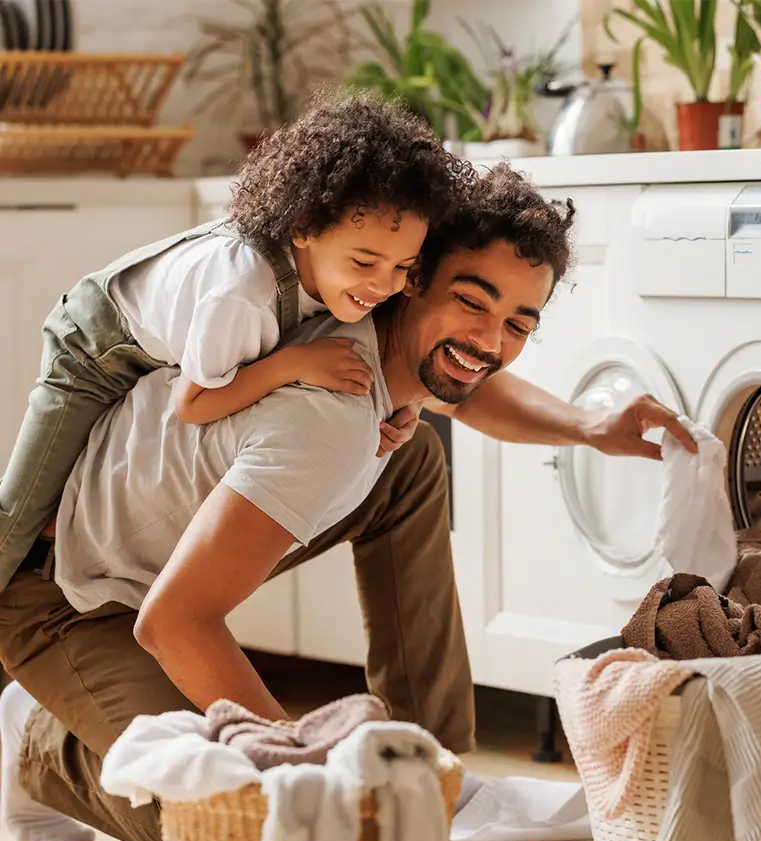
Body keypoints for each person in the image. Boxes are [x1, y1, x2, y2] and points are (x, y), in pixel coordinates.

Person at [0, 163, 695, 841]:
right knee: (259, 840)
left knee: (409, 459)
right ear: (414, 280)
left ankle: (425, 760)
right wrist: (308, 768)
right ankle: (38, 742)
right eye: (472, 302)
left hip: (154, 549)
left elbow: (466, 383)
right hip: (67, 595)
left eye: (518, 323)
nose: (490, 340)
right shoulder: (325, 418)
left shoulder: (366, 315)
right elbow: (175, 622)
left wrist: (591, 427)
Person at [0, 89, 473, 595]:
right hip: (93, 349)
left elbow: (387, 356)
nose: (383, 285)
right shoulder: (242, 292)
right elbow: (193, 404)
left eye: (403, 267)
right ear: (305, 227)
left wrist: (401, 406)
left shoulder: (350, 282)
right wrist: (293, 363)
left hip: (166, 343)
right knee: (20, 512)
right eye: (364, 262)